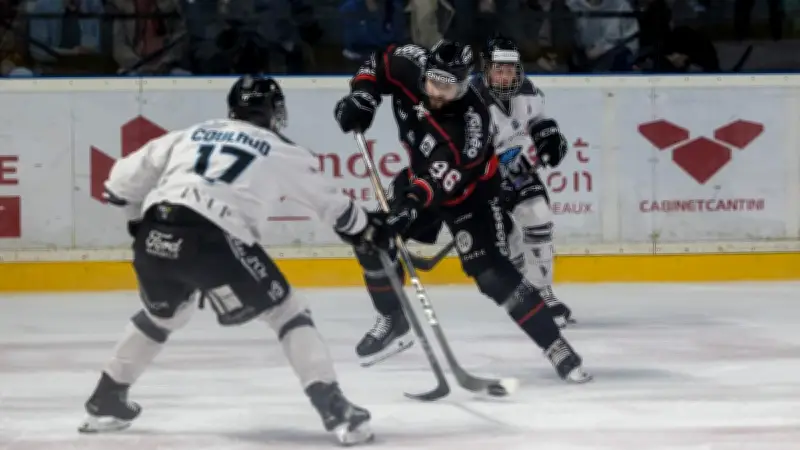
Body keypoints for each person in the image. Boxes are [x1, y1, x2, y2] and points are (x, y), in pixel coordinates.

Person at [78, 76, 375, 446]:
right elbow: (338, 210)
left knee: (162, 316)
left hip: (155, 233)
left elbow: (118, 186)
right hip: (215, 237)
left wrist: (141, 226)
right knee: (288, 312)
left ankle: (105, 399)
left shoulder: (191, 133)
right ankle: (335, 410)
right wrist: (365, 229)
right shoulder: (280, 149)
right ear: (274, 112)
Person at [333, 40, 591, 383]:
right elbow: (378, 62)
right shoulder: (411, 63)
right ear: (425, 72)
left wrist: (407, 209)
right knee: (372, 241)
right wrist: (363, 95)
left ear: (465, 84)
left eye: (449, 87)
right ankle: (392, 318)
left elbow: (442, 177)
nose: (438, 93)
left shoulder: (470, 121)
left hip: (470, 195)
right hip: (418, 179)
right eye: (434, 83)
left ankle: (556, 346)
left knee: (492, 277)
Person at [473, 34, 575, 328]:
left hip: (511, 163)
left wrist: (548, 136)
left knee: (537, 213)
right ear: (487, 69)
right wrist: (491, 180)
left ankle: (544, 292)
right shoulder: (470, 102)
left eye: (510, 69)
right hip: (476, 175)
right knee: (508, 241)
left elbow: (537, 120)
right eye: (498, 69)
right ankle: (526, 293)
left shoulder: (528, 92)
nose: (505, 76)